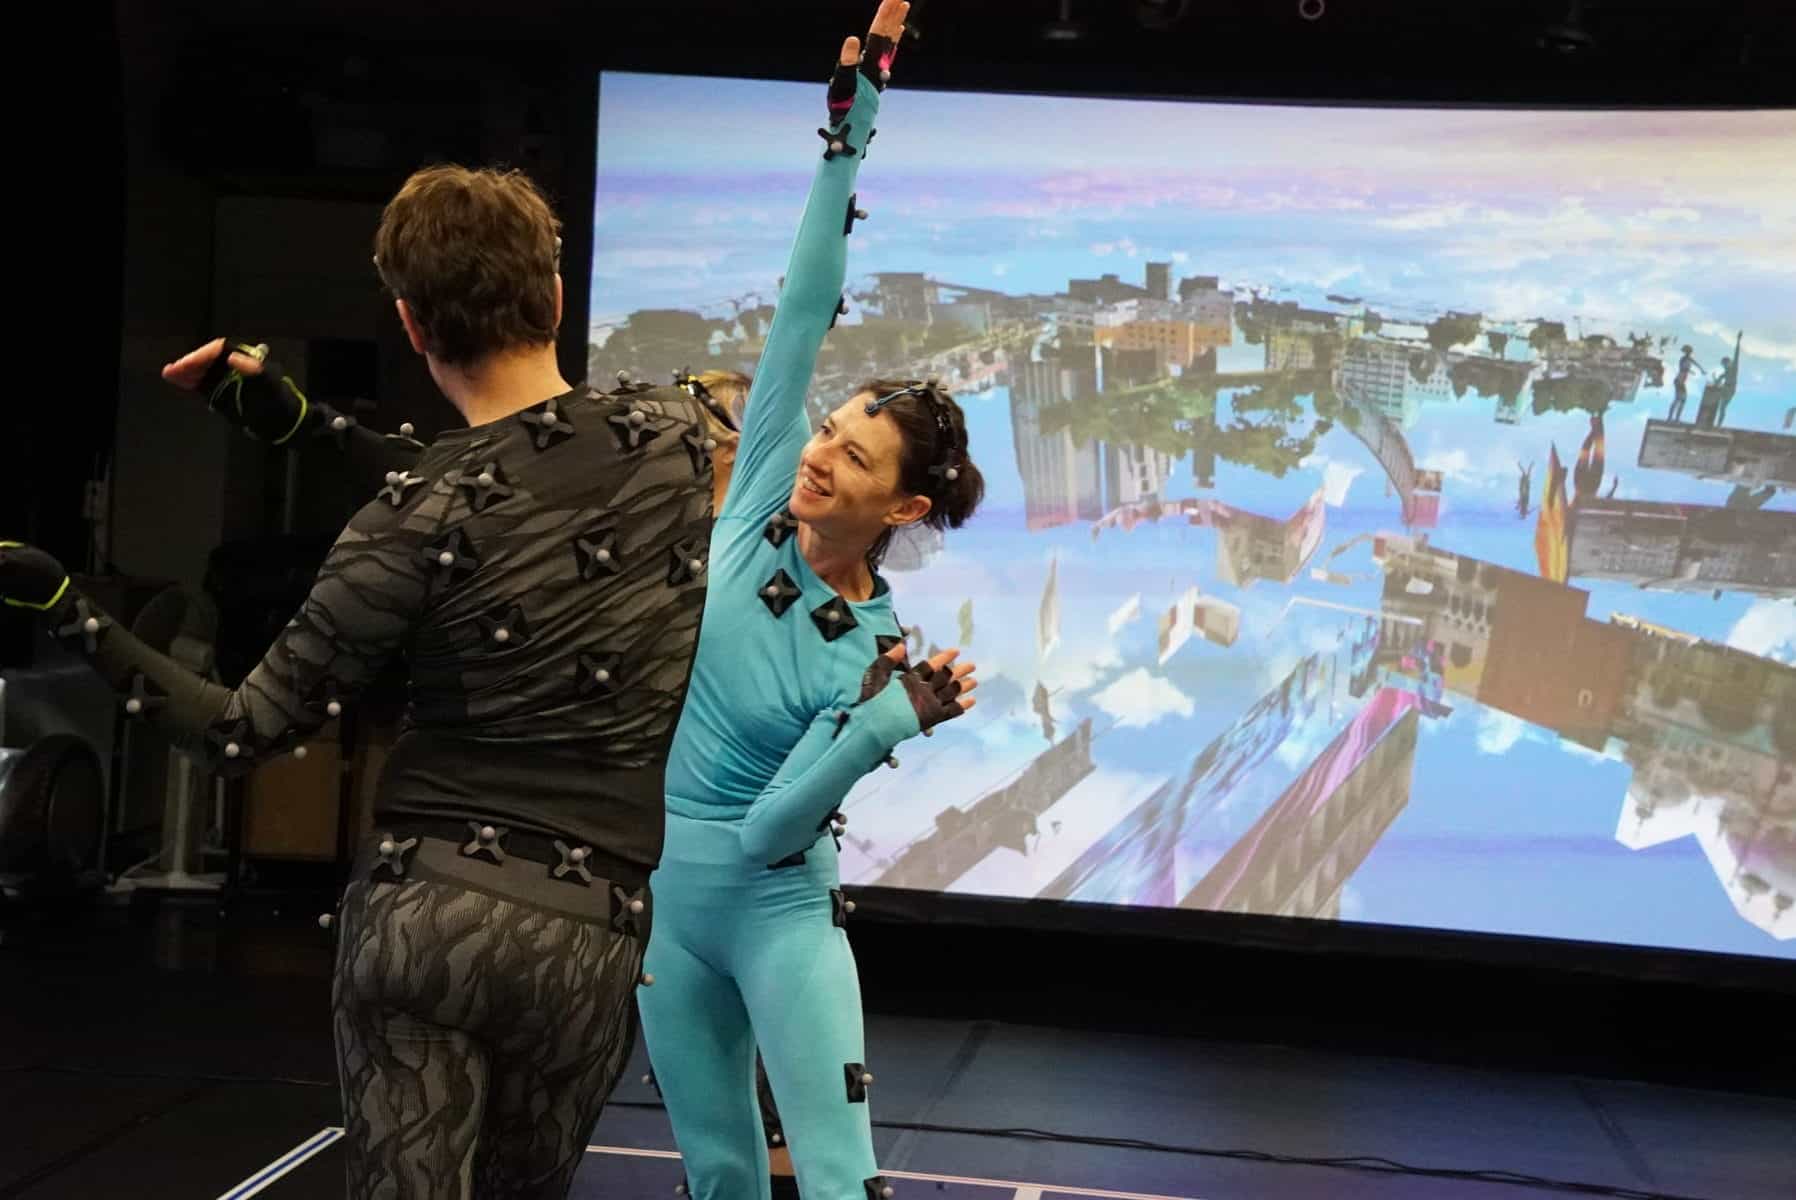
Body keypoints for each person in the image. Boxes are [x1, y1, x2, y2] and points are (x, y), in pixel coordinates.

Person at [2, 165, 717, 1200]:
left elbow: (240, 733)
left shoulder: (404, 522)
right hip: (587, 932)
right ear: (555, 298)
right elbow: (526, 479)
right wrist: (306, 427)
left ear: (410, 325)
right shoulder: (674, 438)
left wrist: (63, 601)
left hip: (423, 921)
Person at [636, 5, 989, 1198]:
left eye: (850, 454)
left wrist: (892, 721)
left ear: (899, 510)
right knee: (718, 1180)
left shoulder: (879, 655)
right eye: (824, 428)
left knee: (834, 1186)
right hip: (666, 911)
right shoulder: (751, 519)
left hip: (778, 920)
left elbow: (769, 832)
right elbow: (803, 302)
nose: (817, 453)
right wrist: (850, 131)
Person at [1668, 344, 1704, 422]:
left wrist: (1700, 370)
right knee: (1679, 399)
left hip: (1681, 381)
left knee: (1681, 400)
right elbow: (1683, 368)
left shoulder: (1687, 359)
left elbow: (1695, 364)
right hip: (1679, 381)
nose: (1690, 353)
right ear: (1687, 352)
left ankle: (1675, 418)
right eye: (1689, 351)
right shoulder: (1684, 359)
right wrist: (1691, 370)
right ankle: (1671, 418)